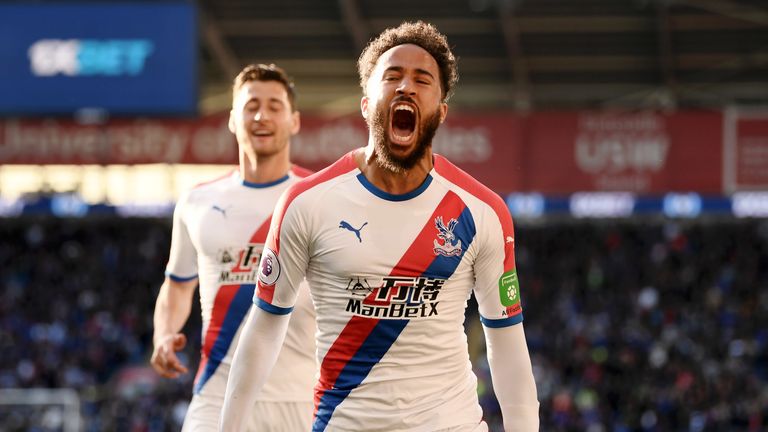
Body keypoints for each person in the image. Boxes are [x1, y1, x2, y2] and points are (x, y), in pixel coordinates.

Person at [222, 22, 539, 432]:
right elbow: (264, 328)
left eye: (422, 80)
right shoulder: (307, 203)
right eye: (392, 76)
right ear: (367, 104)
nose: (406, 87)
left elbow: (506, 342)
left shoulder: (481, 211)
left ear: (440, 111)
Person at [151, 64, 317, 431]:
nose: (262, 115)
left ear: (294, 121)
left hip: (304, 399)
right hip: (217, 394)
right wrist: (163, 334)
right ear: (232, 119)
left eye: (275, 106)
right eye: (251, 105)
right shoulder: (197, 201)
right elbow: (178, 284)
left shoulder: (319, 197)